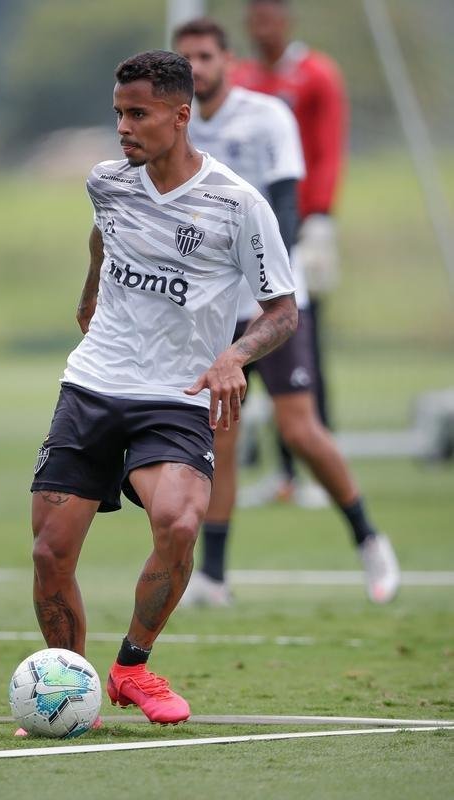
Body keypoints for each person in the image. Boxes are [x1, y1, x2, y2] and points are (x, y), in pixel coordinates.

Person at [29, 49, 298, 727]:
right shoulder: (107, 182)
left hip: (175, 394)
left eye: (137, 114)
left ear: (180, 116)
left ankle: (131, 668)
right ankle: (73, 692)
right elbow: (104, 236)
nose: (122, 126)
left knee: (179, 520)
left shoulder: (236, 205)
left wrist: (233, 356)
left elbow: (282, 310)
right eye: (118, 113)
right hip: (92, 383)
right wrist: (90, 295)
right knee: (49, 554)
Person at [173, 18, 400, 607]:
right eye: (185, 58)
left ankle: (369, 539)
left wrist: (275, 278)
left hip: (268, 303)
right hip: (211, 310)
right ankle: (215, 577)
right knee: (219, 434)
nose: (194, 68)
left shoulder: (267, 115)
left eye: (204, 55)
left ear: (227, 59)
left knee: (300, 429)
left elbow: (285, 204)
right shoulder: (178, 123)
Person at [230, 0, 348, 502]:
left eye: (269, 16)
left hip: (299, 230)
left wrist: (314, 217)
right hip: (250, 235)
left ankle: (315, 465)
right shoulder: (241, 78)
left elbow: (326, 151)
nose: (262, 27)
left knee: (303, 344)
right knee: (249, 345)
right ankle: (280, 472)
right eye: (254, 17)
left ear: (287, 19)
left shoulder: (316, 75)